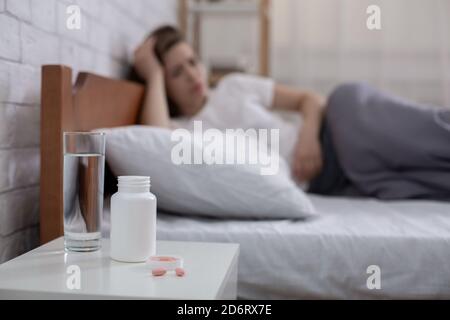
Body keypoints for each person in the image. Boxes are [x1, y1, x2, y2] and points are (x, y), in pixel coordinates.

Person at [132, 25, 450, 200]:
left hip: (339, 130)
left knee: (433, 136)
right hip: (333, 182)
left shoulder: (233, 87)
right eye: (176, 72)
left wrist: (309, 138)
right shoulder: (181, 130)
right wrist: (153, 75)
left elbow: (310, 100)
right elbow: (156, 139)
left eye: (192, 61)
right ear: (164, 87)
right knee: (428, 180)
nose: (191, 74)